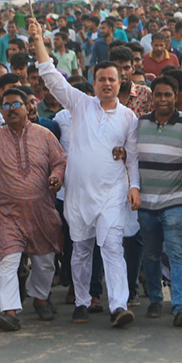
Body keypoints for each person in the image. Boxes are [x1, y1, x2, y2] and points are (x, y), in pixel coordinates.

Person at [31, 17, 139, 328]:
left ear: (121, 83)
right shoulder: (80, 105)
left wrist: (135, 187)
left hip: (113, 192)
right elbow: (52, 78)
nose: (107, 84)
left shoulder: (128, 117)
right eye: (102, 79)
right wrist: (39, 40)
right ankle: (81, 301)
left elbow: (131, 156)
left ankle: (118, 305)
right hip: (78, 192)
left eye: (112, 80)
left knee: (113, 247)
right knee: (80, 249)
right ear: (94, 81)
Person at [0, 87, 67, 332]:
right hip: (8, 212)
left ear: (28, 108)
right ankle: (9, 311)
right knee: (6, 259)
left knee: (45, 261)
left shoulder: (44, 134)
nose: (10, 109)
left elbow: (59, 161)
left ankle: (40, 298)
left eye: (15, 104)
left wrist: (56, 178)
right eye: (5, 106)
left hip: (42, 211)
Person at [135, 75, 182, 327]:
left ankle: (180, 306)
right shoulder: (138, 124)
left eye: (168, 95)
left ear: (177, 96)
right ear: (152, 97)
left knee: (176, 252)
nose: (163, 99)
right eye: (158, 95)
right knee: (150, 254)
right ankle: (154, 299)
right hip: (146, 202)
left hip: (176, 199)